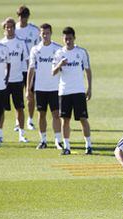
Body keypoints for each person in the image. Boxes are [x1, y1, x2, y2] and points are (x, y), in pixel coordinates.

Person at [52, 26, 93, 155]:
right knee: (65, 120)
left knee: (83, 118)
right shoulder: (59, 53)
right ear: (63, 39)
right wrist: (60, 65)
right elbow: (53, 72)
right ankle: (67, 146)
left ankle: (89, 145)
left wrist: (89, 88)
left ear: (74, 38)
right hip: (64, 91)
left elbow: (88, 70)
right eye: (66, 39)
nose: (68, 41)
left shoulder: (81, 52)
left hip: (78, 91)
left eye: (70, 38)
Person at [27, 23, 63, 150]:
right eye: (43, 33)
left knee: (56, 115)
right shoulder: (35, 50)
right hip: (40, 88)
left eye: (47, 33)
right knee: (41, 114)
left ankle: (58, 141)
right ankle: (43, 140)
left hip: (55, 87)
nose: (45, 35)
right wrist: (28, 88)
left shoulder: (58, 49)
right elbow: (31, 69)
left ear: (51, 33)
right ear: (40, 34)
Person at [0, 17, 29, 143]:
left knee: (20, 108)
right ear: (4, 29)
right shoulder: (0, 44)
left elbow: (27, 61)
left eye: (12, 27)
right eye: (7, 27)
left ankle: (21, 134)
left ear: (14, 28)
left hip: (17, 80)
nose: (10, 29)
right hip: (3, 82)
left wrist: (28, 80)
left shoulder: (21, 42)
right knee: (1, 109)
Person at [15, 5, 40, 130]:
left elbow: (40, 47)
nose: (22, 19)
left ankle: (30, 120)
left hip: (31, 68)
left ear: (28, 17)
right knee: (18, 96)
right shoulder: (13, 29)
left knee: (30, 94)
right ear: (18, 16)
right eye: (20, 16)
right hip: (17, 69)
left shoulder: (35, 30)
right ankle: (18, 122)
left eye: (24, 16)